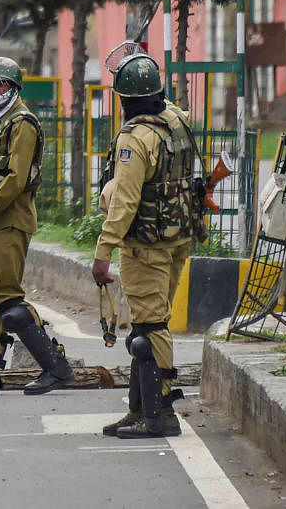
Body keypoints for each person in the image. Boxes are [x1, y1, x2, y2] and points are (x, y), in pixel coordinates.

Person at [92, 52, 201, 438]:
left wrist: (103, 253)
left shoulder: (135, 139)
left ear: (123, 102)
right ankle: (139, 410)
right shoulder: (176, 120)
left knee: (150, 327)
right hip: (177, 239)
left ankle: (160, 414)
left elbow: (124, 201)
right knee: (149, 325)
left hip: (145, 246)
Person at [0, 56, 74, 397]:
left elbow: (15, 180)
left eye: (0, 84)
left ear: (14, 87)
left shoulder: (22, 123)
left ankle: (56, 367)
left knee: (8, 301)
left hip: (8, 221)